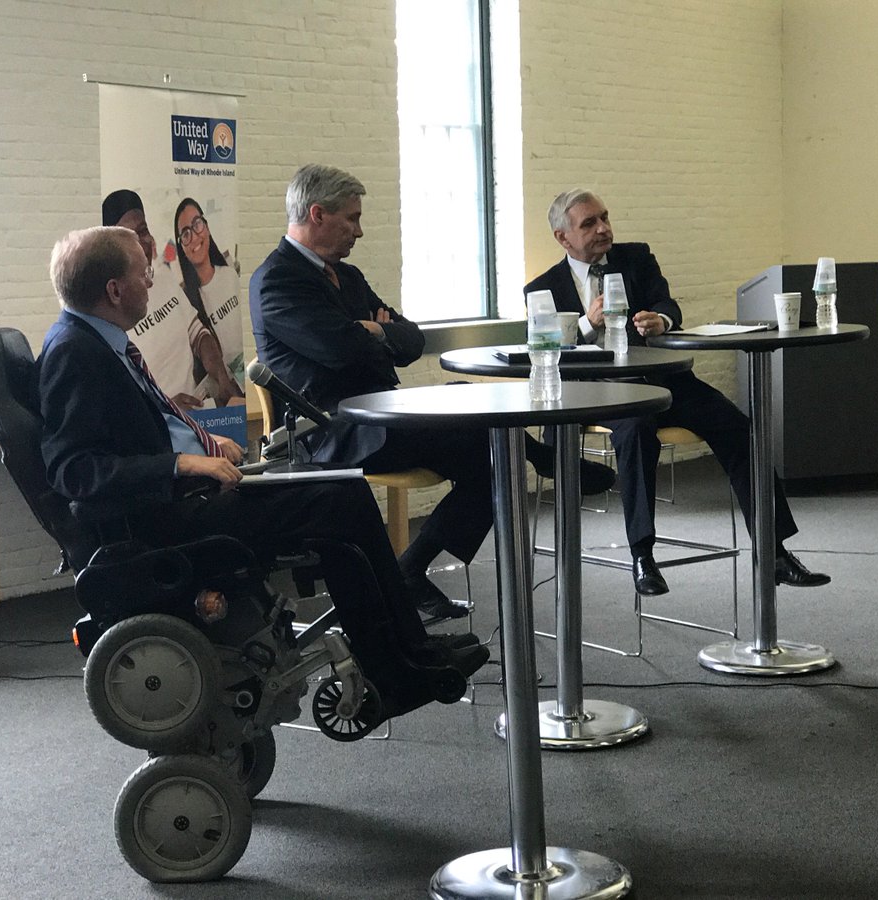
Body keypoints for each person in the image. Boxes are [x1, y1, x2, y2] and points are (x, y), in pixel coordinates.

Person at [38, 225, 486, 694]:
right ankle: (395, 667)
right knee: (337, 502)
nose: (151, 280)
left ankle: (408, 649)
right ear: (114, 290)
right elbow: (73, 471)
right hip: (160, 518)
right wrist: (182, 464)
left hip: (183, 495)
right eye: (143, 273)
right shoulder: (75, 354)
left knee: (342, 489)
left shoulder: (94, 341)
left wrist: (204, 444)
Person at [249, 164, 614, 621]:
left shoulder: (349, 276)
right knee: (488, 438)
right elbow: (338, 349)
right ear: (318, 215)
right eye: (352, 219)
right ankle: (538, 457)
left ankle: (412, 568)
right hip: (334, 429)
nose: (359, 231)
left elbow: (412, 340)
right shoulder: (276, 280)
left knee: (482, 434)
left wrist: (376, 332)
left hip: (383, 411)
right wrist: (374, 333)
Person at [524, 188, 830, 595]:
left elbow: (669, 305)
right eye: (589, 223)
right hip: (600, 395)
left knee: (738, 428)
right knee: (636, 431)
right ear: (563, 237)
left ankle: (774, 552)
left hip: (662, 381)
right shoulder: (543, 289)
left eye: (605, 217)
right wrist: (585, 325)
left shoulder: (636, 258)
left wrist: (661, 321)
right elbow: (543, 352)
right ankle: (642, 556)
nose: (603, 228)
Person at [97, 190, 235, 410]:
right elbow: (117, 398)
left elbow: (197, 332)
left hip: (199, 411)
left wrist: (218, 370)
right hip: (155, 424)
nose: (140, 242)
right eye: (128, 236)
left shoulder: (164, 277)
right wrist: (165, 407)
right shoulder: (108, 310)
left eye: (143, 231)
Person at [173, 197, 245, 406]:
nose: (194, 237)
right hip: (223, 395)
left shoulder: (230, 275)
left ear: (207, 227)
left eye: (197, 224)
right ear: (181, 247)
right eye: (185, 233)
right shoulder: (187, 302)